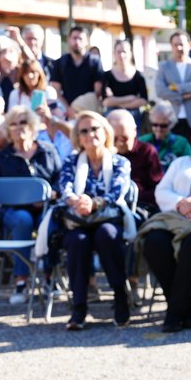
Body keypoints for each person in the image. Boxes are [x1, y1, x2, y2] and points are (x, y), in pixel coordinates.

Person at [138, 117, 191, 332]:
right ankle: (186, 307)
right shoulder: (180, 163)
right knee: (154, 241)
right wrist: (180, 204)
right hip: (174, 219)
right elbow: (161, 191)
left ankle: (175, 312)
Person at [57, 110, 133, 330]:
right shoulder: (72, 160)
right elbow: (65, 187)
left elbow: (117, 192)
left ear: (105, 131)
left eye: (95, 128)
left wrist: (94, 203)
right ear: (78, 137)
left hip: (107, 217)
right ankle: (79, 306)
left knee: (107, 235)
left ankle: (120, 297)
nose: (90, 134)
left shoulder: (119, 162)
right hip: (78, 219)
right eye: (84, 131)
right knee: (77, 241)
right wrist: (76, 201)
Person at [0, 106, 63, 303]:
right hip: (15, 210)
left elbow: (61, 181)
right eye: (13, 124)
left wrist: (51, 194)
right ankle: (21, 281)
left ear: (32, 126)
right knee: (22, 221)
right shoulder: (2, 158)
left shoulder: (48, 151)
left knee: (48, 224)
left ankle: (50, 278)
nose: (18, 127)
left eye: (23, 122)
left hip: (46, 207)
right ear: (7, 129)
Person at [109, 109, 163, 216]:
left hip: (140, 207)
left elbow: (158, 189)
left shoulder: (147, 151)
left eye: (124, 138)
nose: (119, 143)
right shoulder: (105, 155)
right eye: (115, 139)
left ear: (134, 131)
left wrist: (133, 195)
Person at [156, 29, 191, 139]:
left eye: (181, 44)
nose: (179, 48)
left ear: (189, 45)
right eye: (175, 45)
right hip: (171, 119)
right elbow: (160, 91)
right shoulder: (164, 67)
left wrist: (177, 87)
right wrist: (185, 96)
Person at [51, 26, 104, 105]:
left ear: (87, 41)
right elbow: (56, 91)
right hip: (66, 111)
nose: (77, 41)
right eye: (74, 38)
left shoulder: (95, 62)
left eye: (80, 38)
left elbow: (97, 92)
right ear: (69, 39)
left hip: (89, 109)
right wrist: (68, 109)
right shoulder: (60, 62)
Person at [102, 39, 149, 126]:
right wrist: (131, 98)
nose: (122, 55)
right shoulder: (107, 76)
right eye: (118, 52)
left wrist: (116, 101)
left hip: (134, 116)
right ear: (114, 54)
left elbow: (143, 100)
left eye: (124, 51)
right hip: (112, 115)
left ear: (130, 53)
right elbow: (106, 102)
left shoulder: (139, 76)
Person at [139, 102, 191, 169]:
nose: (158, 129)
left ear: (171, 124)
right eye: (155, 125)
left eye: (163, 126)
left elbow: (189, 166)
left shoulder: (181, 143)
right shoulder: (142, 141)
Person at [7, 59, 58, 129]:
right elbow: (11, 118)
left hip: (45, 132)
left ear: (39, 74)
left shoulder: (49, 91)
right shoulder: (15, 94)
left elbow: (57, 117)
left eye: (33, 72)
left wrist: (47, 113)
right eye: (26, 73)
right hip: (24, 132)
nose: (30, 76)